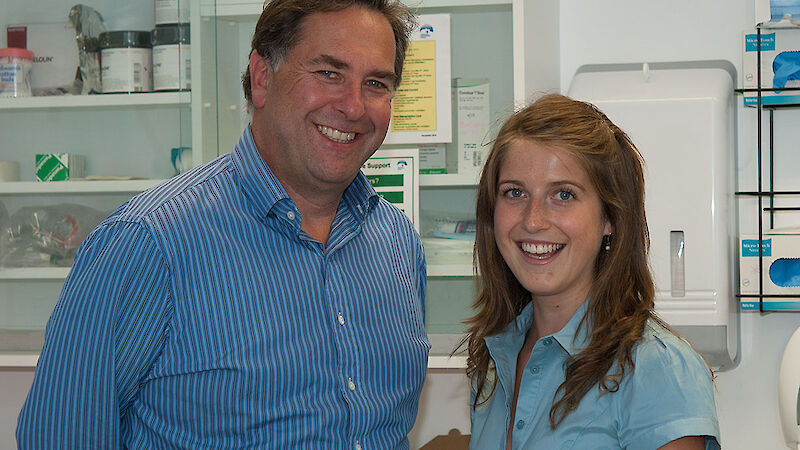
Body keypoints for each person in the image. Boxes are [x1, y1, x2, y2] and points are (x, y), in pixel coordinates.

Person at [17, 1, 429, 448]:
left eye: (376, 83)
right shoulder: (147, 243)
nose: (353, 107)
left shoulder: (397, 242)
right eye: (328, 73)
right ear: (262, 78)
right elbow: (59, 437)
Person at [464, 94, 720, 449]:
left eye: (564, 195)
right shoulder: (495, 358)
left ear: (610, 218)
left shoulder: (656, 369)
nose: (533, 220)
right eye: (515, 193)